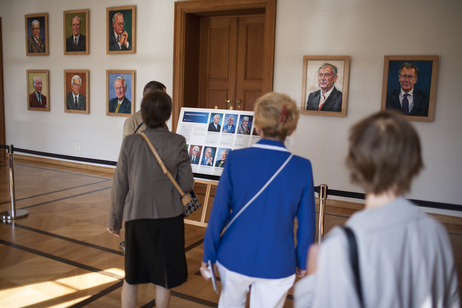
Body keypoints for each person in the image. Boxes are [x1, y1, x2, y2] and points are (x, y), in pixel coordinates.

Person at [294, 110, 460, 308]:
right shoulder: (437, 233)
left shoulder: (339, 246)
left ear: (356, 163)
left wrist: (312, 277)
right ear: (413, 161)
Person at [201, 92, 316, 308]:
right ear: (291, 128)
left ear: (256, 126)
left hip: (234, 255)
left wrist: (208, 253)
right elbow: (307, 225)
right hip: (278, 261)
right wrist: (302, 260)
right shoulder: (302, 167)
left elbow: (218, 215)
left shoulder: (235, 160)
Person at [108, 90, 194, 308]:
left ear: (143, 114)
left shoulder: (130, 143)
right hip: (170, 217)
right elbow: (186, 184)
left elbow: (120, 186)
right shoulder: (178, 141)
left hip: (137, 217)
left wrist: (114, 221)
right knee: (164, 278)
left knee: (132, 276)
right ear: (168, 114)